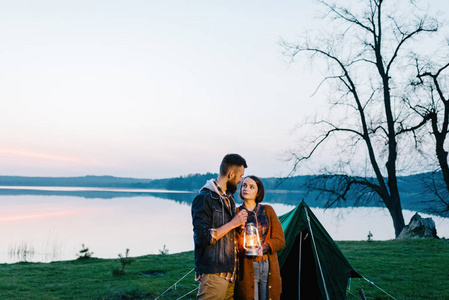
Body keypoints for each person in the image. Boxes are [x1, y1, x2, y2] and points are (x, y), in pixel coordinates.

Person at [191, 154, 249, 300]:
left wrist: (239, 227)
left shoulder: (229, 198)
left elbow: (228, 234)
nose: (241, 180)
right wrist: (233, 223)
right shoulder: (204, 198)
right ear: (230, 174)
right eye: (240, 176)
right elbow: (202, 238)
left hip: (230, 274)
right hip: (214, 274)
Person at [235, 176, 285, 300]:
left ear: (258, 192)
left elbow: (280, 240)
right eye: (244, 185)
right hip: (247, 266)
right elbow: (233, 243)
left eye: (252, 187)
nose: (246, 189)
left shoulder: (267, 211)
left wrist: (264, 247)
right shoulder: (236, 212)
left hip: (268, 265)